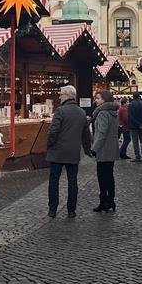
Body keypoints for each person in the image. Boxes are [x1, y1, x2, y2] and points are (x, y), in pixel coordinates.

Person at [46, 85, 92, 218]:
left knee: (54, 180)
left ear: (66, 95)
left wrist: (49, 145)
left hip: (57, 151)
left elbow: (53, 131)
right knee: (73, 181)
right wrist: (87, 149)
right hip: (73, 151)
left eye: (61, 94)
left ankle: (52, 209)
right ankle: (71, 210)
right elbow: (86, 134)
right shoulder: (81, 112)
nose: (59, 96)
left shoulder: (60, 111)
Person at [91, 90, 119, 212]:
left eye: (98, 98)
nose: (95, 100)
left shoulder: (102, 113)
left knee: (102, 177)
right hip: (111, 147)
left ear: (104, 100)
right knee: (109, 176)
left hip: (103, 149)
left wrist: (94, 149)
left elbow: (102, 133)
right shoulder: (113, 112)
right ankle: (111, 200)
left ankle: (104, 202)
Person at [126, 93, 142, 162]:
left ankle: (137, 156)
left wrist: (138, 124)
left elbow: (130, 117)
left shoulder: (130, 105)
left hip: (133, 126)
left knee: (135, 142)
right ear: (139, 97)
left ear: (133, 97)